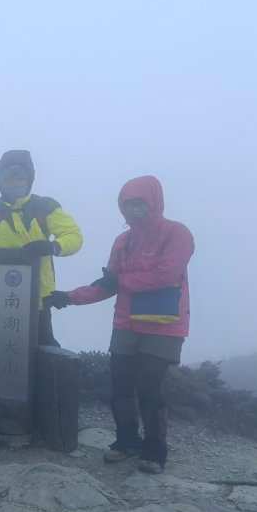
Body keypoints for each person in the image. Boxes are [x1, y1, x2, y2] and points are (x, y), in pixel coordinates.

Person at [46, 175, 194, 474]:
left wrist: (121, 280)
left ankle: (154, 451)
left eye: (139, 203)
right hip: (126, 324)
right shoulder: (122, 242)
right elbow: (107, 285)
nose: (133, 210)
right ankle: (126, 441)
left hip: (164, 327)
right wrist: (69, 297)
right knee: (120, 388)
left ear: (154, 202)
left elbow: (166, 275)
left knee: (149, 388)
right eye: (127, 205)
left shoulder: (176, 234)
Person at [0, 150, 82, 345]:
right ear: (0, 180)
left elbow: (74, 236)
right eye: (9, 178)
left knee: (41, 355)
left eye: (20, 177)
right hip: (0, 297)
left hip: (40, 302)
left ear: (30, 179)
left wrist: (53, 246)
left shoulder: (45, 206)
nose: (15, 183)